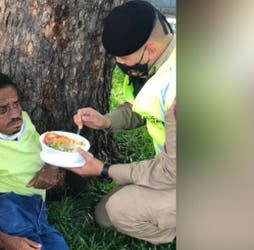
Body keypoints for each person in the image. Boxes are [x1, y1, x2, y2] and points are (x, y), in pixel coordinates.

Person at [70, 0, 176, 245]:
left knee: (120, 209)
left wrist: (104, 170)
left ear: (149, 50)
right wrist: (106, 121)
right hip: (172, 167)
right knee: (104, 214)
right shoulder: (161, 61)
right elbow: (145, 107)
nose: (120, 63)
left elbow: (172, 172)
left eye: (123, 57)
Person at [0, 72, 69, 250]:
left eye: (16, 104)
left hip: (35, 207)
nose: (15, 114)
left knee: (58, 246)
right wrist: (3, 239)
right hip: (3, 205)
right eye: (3, 110)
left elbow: (43, 149)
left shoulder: (24, 121)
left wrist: (51, 166)